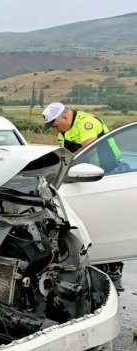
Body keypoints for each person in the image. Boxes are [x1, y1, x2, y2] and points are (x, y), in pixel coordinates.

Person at [42, 102, 125, 292]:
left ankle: (115, 272)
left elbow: (89, 149)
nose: (55, 131)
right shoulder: (64, 130)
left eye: (54, 125)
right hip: (88, 177)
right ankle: (98, 264)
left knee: (110, 223)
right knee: (93, 222)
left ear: (64, 117)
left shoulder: (86, 123)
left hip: (110, 174)